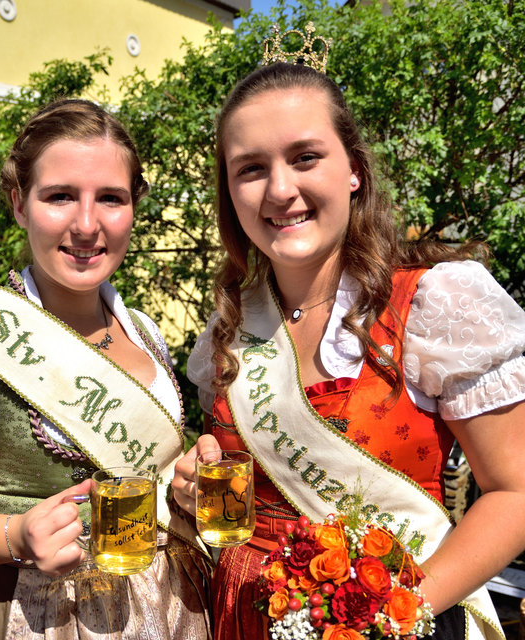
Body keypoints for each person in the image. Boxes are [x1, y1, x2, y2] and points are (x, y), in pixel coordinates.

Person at [172, 28, 525, 640]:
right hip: (242, 618)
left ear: (355, 171)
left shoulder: (434, 304)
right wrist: (193, 490)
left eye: (305, 158)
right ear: (230, 193)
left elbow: (514, 494)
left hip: (391, 623)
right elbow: (244, 493)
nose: (280, 190)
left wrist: (396, 616)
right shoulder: (228, 326)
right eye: (250, 169)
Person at [0, 98, 211, 640]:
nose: (86, 225)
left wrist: (187, 477)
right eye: (60, 196)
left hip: (173, 606)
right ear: (19, 203)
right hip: (44, 616)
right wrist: (16, 535)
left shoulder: (143, 329)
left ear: (134, 206)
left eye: (110, 199)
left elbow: (152, 466)